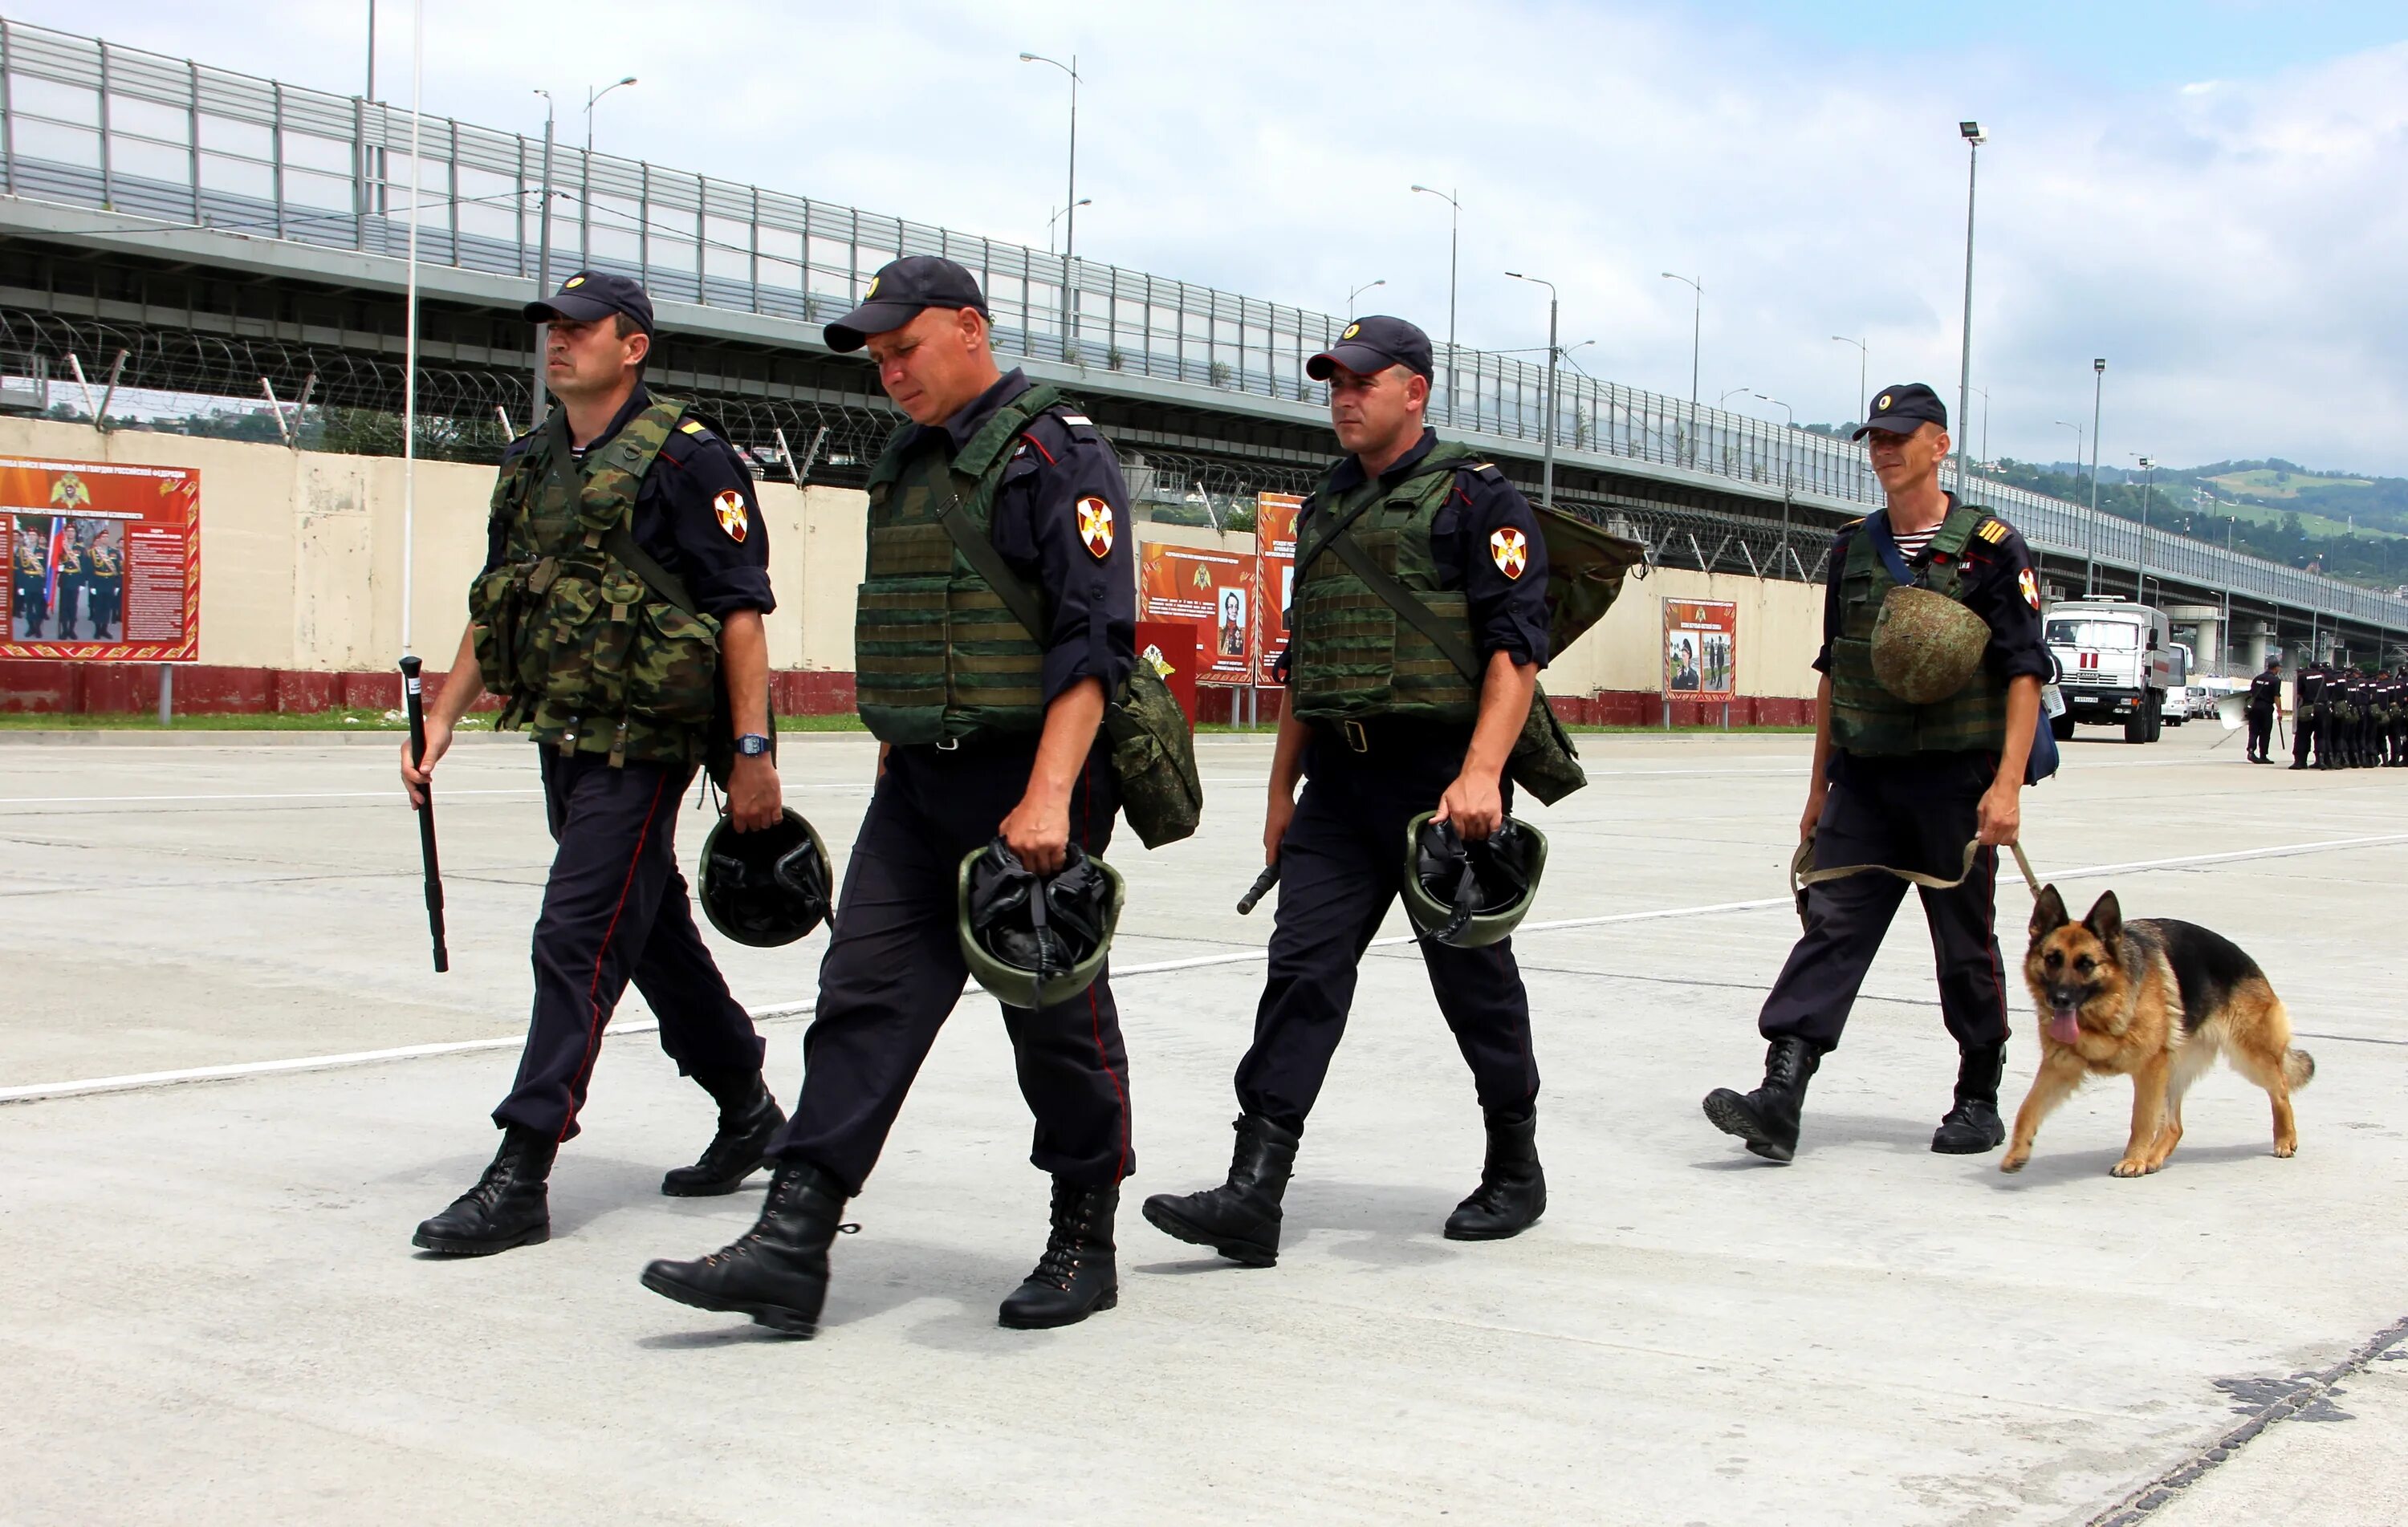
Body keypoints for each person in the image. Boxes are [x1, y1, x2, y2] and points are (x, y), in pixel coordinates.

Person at [641, 254, 1139, 1336]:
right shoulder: (906, 463)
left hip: (1030, 783)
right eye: (877, 358)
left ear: (970, 327)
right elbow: (921, 624)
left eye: (904, 349)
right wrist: (896, 738)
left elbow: (1091, 640)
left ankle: (1084, 1232)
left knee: (1052, 1018)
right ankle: (791, 1240)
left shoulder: (1061, 454)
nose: (891, 372)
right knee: (861, 998)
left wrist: (1052, 794)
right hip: (916, 782)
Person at [1141, 314, 1554, 1267]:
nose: (1344, 396)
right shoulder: (1324, 505)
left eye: (1363, 381)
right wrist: (1281, 792)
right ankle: (1254, 1193)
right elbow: (1309, 661)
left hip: (1440, 785)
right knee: (1302, 973)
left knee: (1474, 981)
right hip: (1339, 785)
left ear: (1416, 390)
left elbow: (1514, 652)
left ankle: (1514, 1164)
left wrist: (1483, 772)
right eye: (1335, 381)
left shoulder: (1478, 501)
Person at [400, 271, 784, 1257]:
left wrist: (752, 755)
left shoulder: (693, 462)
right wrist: (439, 716)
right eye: (551, 330)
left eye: (579, 329)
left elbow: (740, 616)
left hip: (645, 746)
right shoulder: (529, 462)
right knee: (644, 929)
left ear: (634, 346)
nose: (557, 343)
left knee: (574, 937)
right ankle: (747, 1105)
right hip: (562, 736)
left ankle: (523, 1164)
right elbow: (501, 607)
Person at [1703, 384, 2047, 1164]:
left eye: (1901, 436)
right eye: (1875, 437)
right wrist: (1817, 789)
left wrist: (2006, 786)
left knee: (1963, 943)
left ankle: (1978, 1092)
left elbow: (2025, 671)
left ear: (1940, 444)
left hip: (1956, 777)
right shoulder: (1851, 548)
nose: (1885, 449)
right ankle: (1781, 1094)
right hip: (1865, 774)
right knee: (1832, 927)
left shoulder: (1993, 548)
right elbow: (1833, 673)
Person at [2243, 652, 2282, 764]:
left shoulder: (2257, 678)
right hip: (2266, 708)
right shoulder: (2276, 680)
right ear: (2276, 668)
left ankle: (2251, 751)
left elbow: (2251, 694)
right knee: (2265, 732)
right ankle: (2263, 755)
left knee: (2253, 731)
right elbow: (2276, 697)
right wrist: (2280, 711)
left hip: (2254, 707)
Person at [85, 528, 123, 640]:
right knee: (98, 607)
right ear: (100, 539)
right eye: (103, 537)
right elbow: (90, 570)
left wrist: (117, 585)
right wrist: (91, 586)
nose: (105, 539)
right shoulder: (93, 552)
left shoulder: (114, 552)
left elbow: (118, 570)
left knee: (107, 608)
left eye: (107, 537)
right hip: (99, 582)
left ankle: (104, 629)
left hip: (110, 583)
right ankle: (97, 630)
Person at [10, 521, 43, 638]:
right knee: (29, 608)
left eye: (34, 535)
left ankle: (38, 628)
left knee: (39, 608)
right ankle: (31, 628)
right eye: (30, 535)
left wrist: (46, 586)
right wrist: (20, 586)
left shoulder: (44, 551)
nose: (32, 537)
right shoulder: (22, 551)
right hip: (27, 583)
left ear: (38, 537)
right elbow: (19, 570)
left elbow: (47, 571)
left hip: (39, 584)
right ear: (27, 537)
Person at [2291, 659, 2326, 770]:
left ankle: (2300, 762)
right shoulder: (2324, 676)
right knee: (2320, 736)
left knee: (2302, 736)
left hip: (2307, 707)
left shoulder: (2302, 676)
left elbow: (2299, 694)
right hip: (2321, 708)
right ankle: (2320, 761)